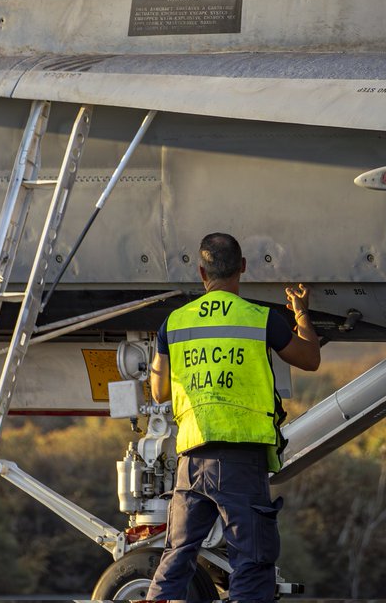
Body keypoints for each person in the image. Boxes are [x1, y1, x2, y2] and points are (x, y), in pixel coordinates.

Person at [146, 232, 320, 603]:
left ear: (201, 272)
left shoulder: (174, 323)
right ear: (242, 268)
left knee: (176, 556)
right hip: (241, 461)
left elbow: (159, 391)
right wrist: (302, 312)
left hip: (191, 462)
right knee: (251, 562)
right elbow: (310, 359)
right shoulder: (260, 319)